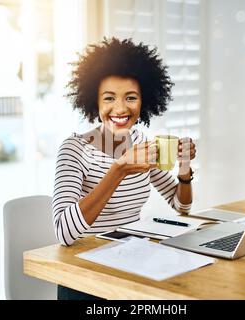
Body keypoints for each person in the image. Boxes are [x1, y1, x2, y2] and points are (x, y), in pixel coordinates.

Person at [53, 37, 196, 300]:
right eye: (109, 98)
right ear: (95, 103)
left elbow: (181, 206)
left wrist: (185, 170)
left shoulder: (141, 143)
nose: (120, 108)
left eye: (130, 98)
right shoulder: (74, 148)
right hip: (84, 278)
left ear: (143, 102)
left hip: (130, 266)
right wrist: (118, 169)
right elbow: (64, 232)